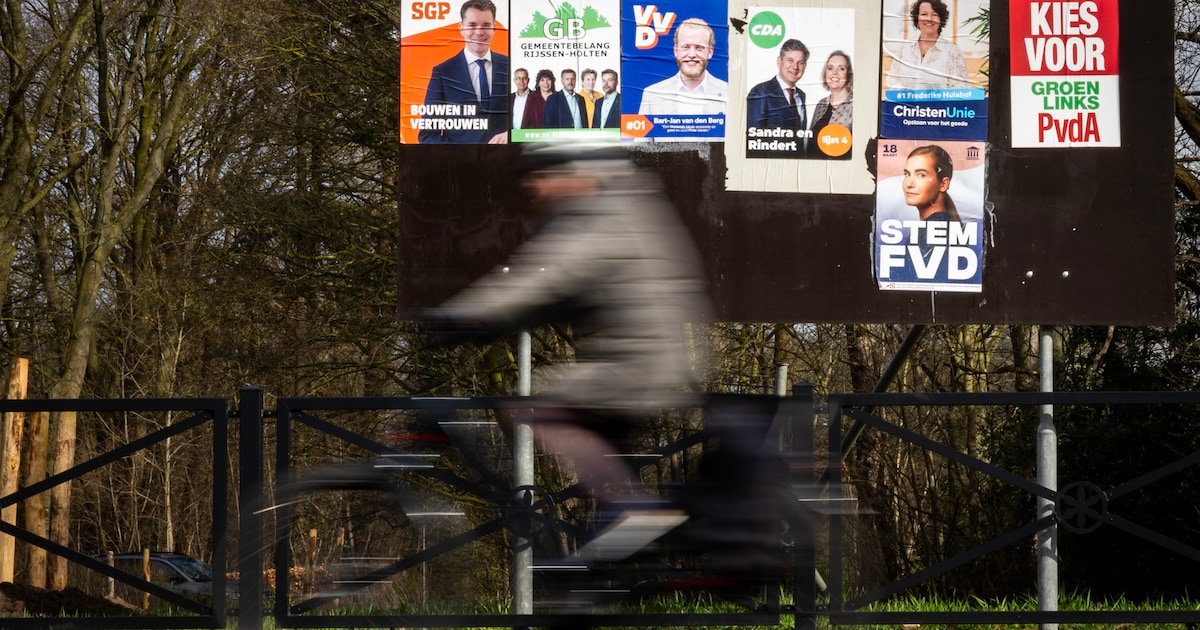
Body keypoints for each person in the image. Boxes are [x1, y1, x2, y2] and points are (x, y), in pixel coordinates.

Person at [423, 142, 711, 561]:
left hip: (636, 365)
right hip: (644, 359)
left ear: (574, 175)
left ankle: (633, 512)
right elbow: (560, 293)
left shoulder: (599, 219)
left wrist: (461, 317)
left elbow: (541, 278)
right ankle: (608, 561)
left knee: (539, 406)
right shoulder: (626, 208)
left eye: (540, 177)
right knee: (603, 484)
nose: (532, 188)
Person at [418, 0, 509, 144]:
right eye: (472, 25)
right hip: (460, 158)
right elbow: (427, 135)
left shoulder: (511, 66)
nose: (479, 32)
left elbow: (530, 119)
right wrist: (461, 153)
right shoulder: (443, 73)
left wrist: (512, 135)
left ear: (494, 28)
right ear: (461, 28)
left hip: (507, 157)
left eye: (486, 25)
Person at [638, 18, 728, 116]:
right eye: (685, 47)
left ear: (710, 52)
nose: (692, 54)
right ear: (676, 51)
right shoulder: (652, 95)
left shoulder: (728, 93)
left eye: (699, 48)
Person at [885, 0, 969, 90]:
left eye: (934, 14)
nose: (929, 18)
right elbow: (892, 80)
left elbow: (962, 88)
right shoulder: (905, 48)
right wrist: (906, 94)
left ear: (941, 19)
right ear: (917, 18)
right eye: (924, 14)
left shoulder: (952, 51)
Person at [902, 144, 962, 259]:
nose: (909, 184)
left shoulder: (928, 233)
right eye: (907, 174)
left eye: (921, 175)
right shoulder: (944, 226)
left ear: (943, 184)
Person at [810, 51, 854, 159]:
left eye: (841, 69)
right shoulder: (821, 105)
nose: (834, 73)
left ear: (848, 74)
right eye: (830, 68)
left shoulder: (856, 105)